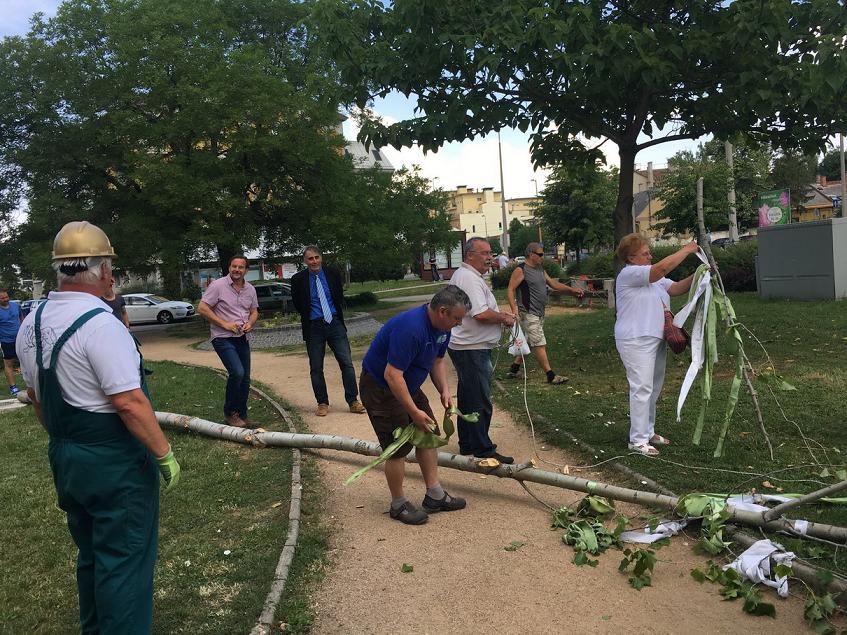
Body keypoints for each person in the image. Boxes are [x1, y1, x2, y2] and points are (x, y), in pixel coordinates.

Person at [15, 221, 180, 633]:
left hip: (66, 457)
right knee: (125, 561)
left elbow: (36, 397)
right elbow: (128, 402)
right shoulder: (102, 324)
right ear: (103, 269)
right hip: (114, 463)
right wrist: (164, 453)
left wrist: (66, 443)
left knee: (90, 554)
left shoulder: (31, 323)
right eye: (111, 268)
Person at [360, 286, 470, 525]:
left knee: (428, 434)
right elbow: (392, 375)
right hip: (380, 387)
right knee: (397, 446)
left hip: (405, 384)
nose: (459, 323)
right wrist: (413, 411)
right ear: (442, 311)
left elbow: (437, 361)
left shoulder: (443, 328)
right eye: (457, 318)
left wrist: (444, 390)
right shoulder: (411, 329)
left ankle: (435, 495)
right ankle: (398, 504)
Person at [614, 234, 698, 456]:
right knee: (641, 388)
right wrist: (687, 249)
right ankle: (637, 440)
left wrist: (700, 274)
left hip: (655, 337)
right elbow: (660, 269)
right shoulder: (630, 274)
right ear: (631, 258)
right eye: (645, 253)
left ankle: (648, 431)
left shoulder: (653, 277)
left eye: (649, 253)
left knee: (653, 387)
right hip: (635, 339)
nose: (650, 256)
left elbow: (676, 288)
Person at [447, 238, 516, 463]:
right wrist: (504, 318)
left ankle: (468, 443)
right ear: (470, 255)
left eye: (490, 253)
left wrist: (499, 314)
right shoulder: (469, 278)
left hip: (468, 345)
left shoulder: (467, 275)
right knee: (479, 399)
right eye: (484, 253)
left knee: (468, 396)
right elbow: (480, 314)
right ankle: (482, 448)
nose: (490, 257)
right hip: (471, 347)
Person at [291, 246, 365, 416]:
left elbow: (338, 296)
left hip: (335, 323)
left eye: (316, 257)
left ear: (321, 258)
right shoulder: (298, 279)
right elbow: (298, 304)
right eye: (310, 258)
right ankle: (322, 403)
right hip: (314, 327)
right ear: (305, 261)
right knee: (316, 367)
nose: (314, 261)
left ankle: (353, 401)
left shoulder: (332, 273)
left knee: (347, 363)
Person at [506, 242, 584, 384]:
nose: (543, 257)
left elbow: (553, 283)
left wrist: (571, 290)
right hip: (528, 312)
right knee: (539, 343)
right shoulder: (521, 270)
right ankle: (550, 375)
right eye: (540, 254)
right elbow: (510, 289)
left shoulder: (540, 269)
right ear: (531, 254)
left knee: (531, 341)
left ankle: (514, 369)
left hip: (539, 312)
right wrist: (514, 309)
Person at [197, 255, 258, 427]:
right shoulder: (218, 286)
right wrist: (225, 324)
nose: (237, 270)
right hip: (222, 337)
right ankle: (230, 413)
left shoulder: (250, 289)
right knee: (237, 372)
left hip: (242, 337)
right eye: (234, 266)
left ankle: (242, 415)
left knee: (245, 378)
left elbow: (254, 311)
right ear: (229, 267)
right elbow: (202, 308)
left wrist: (250, 323)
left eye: (241, 267)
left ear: (246, 270)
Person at [0, 288, 23, 396]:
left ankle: (30, 383)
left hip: (20, 339)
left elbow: (22, 318)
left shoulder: (15, 306)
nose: (6, 299)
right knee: (9, 364)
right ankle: (13, 387)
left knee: (25, 361)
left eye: (6, 297)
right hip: (6, 341)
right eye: (2, 298)